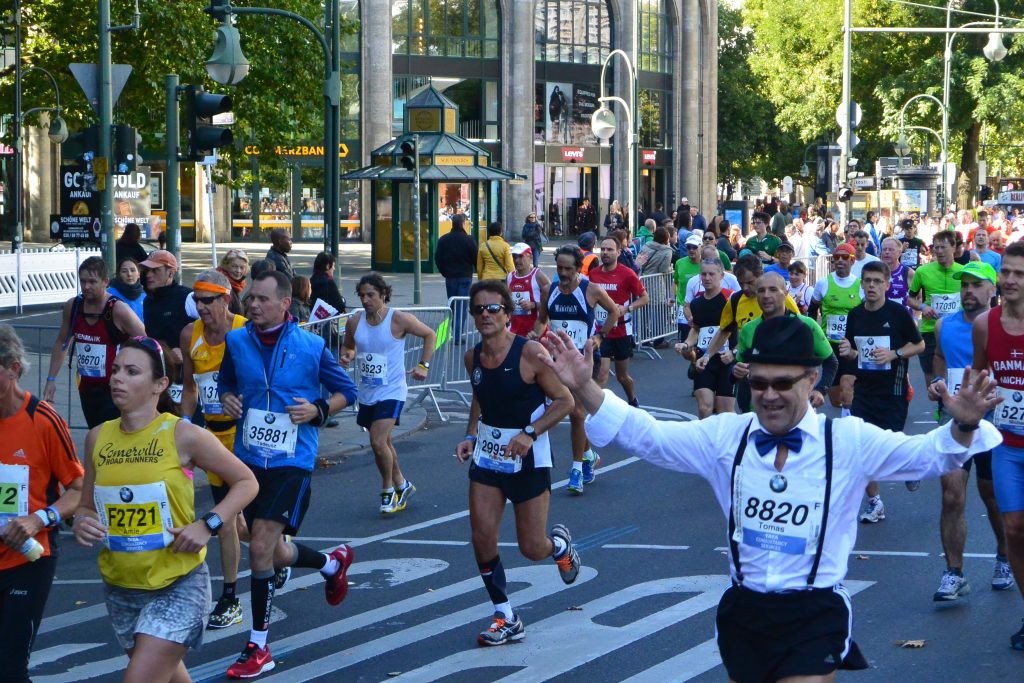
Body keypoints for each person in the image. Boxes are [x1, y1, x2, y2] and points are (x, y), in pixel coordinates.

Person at [543, 315, 1001, 683]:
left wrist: (961, 425)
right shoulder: (728, 436)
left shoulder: (847, 441)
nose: (768, 396)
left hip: (813, 609)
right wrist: (585, 386)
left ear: (813, 379)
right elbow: (650, 437)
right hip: (745, 611)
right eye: (759, 383)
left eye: (783, 383)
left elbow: (925, 457)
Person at [72, 336, 259, 683]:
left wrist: (208, 524)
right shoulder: (97, 437)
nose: (117, 378)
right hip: (121, 586)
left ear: (160, 385)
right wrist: (83, 521)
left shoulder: (182, 435)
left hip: (178, 585)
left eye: (131, 372)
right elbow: (85, 506)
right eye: (115, 370)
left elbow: (246, 482)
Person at [217, 271, 358, 677]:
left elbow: (344, 390)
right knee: (270, 548)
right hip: (248, 461)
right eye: (250, 300)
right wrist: (228, 398)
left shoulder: (311, 345)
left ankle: (258, 647)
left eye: (261, 299)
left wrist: (318, 409)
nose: (253, 306)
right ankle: (332, 564)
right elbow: (227, 383)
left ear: (284, 304)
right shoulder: (236, 340)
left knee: (260, 546)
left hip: (292, 461)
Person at [454, 281, 580, 646]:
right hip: (489, 458)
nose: (484, 315)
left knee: (531, 547)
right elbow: (480, 398)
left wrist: (529, 432)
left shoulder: (530, 353)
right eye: (478, 309)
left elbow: (565, 401)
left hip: (529, 458)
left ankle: (558, 547)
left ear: (508, 314)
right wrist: (471, 435)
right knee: (481, 537)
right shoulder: (472, 357)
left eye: (492, 308)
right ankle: (505, 614)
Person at [0, 324, 84, 682]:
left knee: (9, 669)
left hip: (29, 559)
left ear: (13, 369)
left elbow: (80, 489)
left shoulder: (44, 420)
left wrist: (38, 519)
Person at [927, 261, 1012, 600]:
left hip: (993, 424)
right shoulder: (944, 326)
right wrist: (935, 381)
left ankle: (1005, 558)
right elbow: (938, 358)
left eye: (977, 285)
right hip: (955, 423)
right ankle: (954, 572)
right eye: (964, 285)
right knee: (951, 495)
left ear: (994, 290)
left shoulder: (1000, 326)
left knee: (993, 498)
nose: (968, 291)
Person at [179, 271, 251, 631]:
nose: (200, 307)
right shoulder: (189, 334)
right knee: (238, 524)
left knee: (224, 521)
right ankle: (276, 548)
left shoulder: (243, 329)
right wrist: (184, 425)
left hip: (243, 437)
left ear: (225, 300)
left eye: (207, 300)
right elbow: (190, 388)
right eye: (196, 300)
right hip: (211, 437)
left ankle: (230, 598)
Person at [836, 261, 925, 523]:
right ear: (861, 284)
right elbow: (854, 350)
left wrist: (894, 353)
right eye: (867, 281)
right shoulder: (855, 315)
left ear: (886, 284)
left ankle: (910, 463)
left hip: (893, 388)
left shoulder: (898, 313)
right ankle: (874, 502)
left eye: (877, 281)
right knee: (861, 447)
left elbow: (918, 345)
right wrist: (848, 352)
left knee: (890, 441)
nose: (872, 286)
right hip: (864, 389)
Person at [340, 273, 436, 514]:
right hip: (368, 390)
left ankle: (388, 492)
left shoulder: (399, 319)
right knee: (384, 443)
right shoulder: (355, 321)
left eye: (370, 295)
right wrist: (346, 356)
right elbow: (349, 346)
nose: (365, 300)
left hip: (393, 389)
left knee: (377, 440)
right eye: (361, 295)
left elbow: (429, 334)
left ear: (383, 294)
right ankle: (402, 484)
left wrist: (424, 366)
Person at [533, 245, 619, 494]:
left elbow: (613, 311)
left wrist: (600, 337)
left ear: (578, 267)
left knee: (578, 413)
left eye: (568, 269)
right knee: (571, 412)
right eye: (559, 267)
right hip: (559, 362)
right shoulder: (549, 291)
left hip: (584, 361)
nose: (563, 273)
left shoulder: (590, 290)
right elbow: (541, 320)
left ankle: (576, 470)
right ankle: (589, 455)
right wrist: (534, 335)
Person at [972, 241, 1024, 649]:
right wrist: (959, 403)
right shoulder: (985, 325)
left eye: (1018, 274)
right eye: (1005, 271)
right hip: (1007, 443)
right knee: (1014, 528)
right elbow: (979, 375)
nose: (1008, 280)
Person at [44, 256, 146, 428]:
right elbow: (62, 342)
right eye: (83, 281)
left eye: (92, 281)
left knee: (111, 438)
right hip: (86, 387)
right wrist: (51, 379)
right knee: (95, 434)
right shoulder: (74, 306)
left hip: (115, 388)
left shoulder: (118, 309)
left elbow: (147, 343)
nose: (86, 286)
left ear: (105, 282)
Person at [589, 236, 649, 407]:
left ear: (618, 252)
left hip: (621, 331)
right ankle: (597, 412)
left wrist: (626, 308)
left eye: (609, 249)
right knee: (602, 374)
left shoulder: (627, 274)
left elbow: (645, 298)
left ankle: (632, 400)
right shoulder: (594, 274)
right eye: (603, 249)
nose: (605, 253)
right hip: (601, 332)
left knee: (623, 376)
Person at [677, 258, 736, 418]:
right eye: (703, 274)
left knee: (725, 412)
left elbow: (738, 328)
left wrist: (734, 351)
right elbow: (696, 328)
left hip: (726, 360)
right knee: (704, 407)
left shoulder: (731, 299)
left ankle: (728, 442)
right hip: (704, 360)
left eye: (711, 274)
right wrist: (687, 343)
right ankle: (705, 442)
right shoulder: (697, 303)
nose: (707, 278)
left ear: (721, 275)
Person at [808, 243, 863, 414]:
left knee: (848, 387)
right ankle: (845, 414)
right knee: (835, 397)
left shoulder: (860, 285)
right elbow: (812, 309)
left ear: (852, 261)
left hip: (851, 344)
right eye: (836, 257)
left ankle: (848, 424)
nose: (840, 260)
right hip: (829, 343)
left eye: (844, 257)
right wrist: (813, 335)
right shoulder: (823, 283)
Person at [909, 230, 964, 386]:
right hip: (930, 331)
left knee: (954, 376)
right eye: (936, 248)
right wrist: (923, 307)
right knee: (931, 379)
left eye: (943, 247)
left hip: (956, 330)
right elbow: (910, 298)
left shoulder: (963, 272)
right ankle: (939, 408)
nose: (939, 251)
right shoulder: (923, 271)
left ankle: (948, 408)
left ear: (953, 247)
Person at [139, 249, 193, 407]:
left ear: (171, 273)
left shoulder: (187, 297)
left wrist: (185, 351)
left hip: (183, 375)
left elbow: (208, 329)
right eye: (147, 270)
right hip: (158, 371)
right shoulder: (148, 301)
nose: (148, 275)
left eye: (155, 270)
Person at [435, 213, 478, 341]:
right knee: (462, 306)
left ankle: (455, 331)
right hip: (465, 276)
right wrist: (476, 270)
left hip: (450, 277)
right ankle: (458, 335)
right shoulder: (468, 239)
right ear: (463, 224)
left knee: (453, 305)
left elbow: (437, 258)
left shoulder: (443, 239)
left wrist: (444, 271)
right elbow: (475, 257)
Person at [507, 243, 551, 338]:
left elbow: (550, 303)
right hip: (515, 330)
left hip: (535, 331)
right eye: (514, 257)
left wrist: (533, 305)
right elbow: (508, 301)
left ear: (530, 257)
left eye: (520, 256)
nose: (517, 260)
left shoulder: (538, 276)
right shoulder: (510, 276)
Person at [673, 234, 704, 342]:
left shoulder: (706, 264)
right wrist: (675, 297)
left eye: (694, 247)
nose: (691, 250)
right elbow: (675, 281)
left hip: (702, 306)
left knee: (700, 340)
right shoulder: (679, 263)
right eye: (688, 247)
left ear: (701, 247)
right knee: (686, 342)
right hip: (684, 306)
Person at [107, 257, 147, 323]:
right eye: (124, 271)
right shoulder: (109, 294)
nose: (129, 274)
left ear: (139, 274)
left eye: (133, 270)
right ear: (119, 274)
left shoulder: (146, 294)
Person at [880, 237, 914, 314]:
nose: (887, 252)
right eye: (884, 249)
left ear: (899, 253)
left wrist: (914, 318)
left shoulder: (908, 272)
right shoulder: (876, 271)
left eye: (891, 249)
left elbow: (919, 298)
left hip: (902, 320)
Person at [218, 248, 250, 314]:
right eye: (234, 266)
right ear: (225, 265)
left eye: (242, 267)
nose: (238, 271)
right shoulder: (221, 285)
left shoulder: (235, 284)